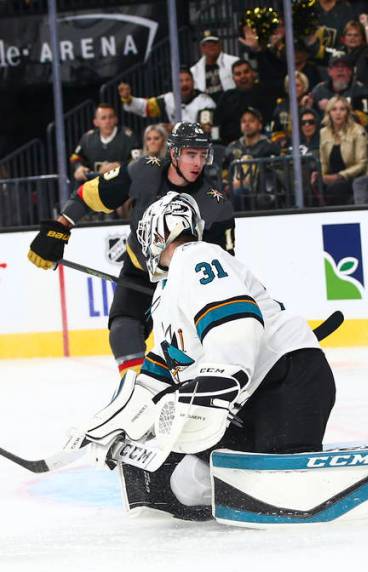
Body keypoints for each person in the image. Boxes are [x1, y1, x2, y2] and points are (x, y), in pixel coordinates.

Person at [85, 191, 336, 520]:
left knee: (283, 488)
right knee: (181, 484)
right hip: (248, 396)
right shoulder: (165, 294)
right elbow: (159, 375)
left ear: (159, 233)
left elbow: (237, 325)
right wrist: (113, 423)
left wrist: (216, 387)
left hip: (286, 379)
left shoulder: (196, 255)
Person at [27, 122, 235, 376]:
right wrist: (59, 228)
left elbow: (224, 263)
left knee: (189, 353)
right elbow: (88, 195)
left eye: (203, 156)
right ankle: (135, 394)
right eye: (191, 154)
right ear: (174, 153)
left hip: (187, 284)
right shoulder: (145, 172)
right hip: (140, 272)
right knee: (123, 331)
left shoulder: (215, 204)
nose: (198, 163)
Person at [313, 96, 368, 205]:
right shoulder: (323, 133)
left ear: (347, 112)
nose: (338, 113)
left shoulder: (357, 131)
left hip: (354, 178)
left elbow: (362, 164)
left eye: (342, 109)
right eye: (334, 109)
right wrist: (321, 176)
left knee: (336, 188)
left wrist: (339, 176)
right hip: (331, 177)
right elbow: (323, 162)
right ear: (329, 113)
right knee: (312, 184)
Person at [223, 107, 281, 210]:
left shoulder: (269, 146)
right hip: (235, 192)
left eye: (251, 121)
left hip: (260, 193)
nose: (247, 124)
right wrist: (227, 184)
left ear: (260, 125)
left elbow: (275, 173)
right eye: (244, 121)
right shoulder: (232, 147)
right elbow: (223, 172)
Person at [69, 104, 141, 183]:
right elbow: (75, 157)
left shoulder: (128, 137)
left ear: (116, 119)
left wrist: (120, 165)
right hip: (95, 185)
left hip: (122, 184)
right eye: (103, 118)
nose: (107, 121)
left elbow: (138, 160)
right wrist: (78, 167)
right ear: (96, 122)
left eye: (111, 117)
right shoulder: (87, 138)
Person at [119, 69, 216, 127]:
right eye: (180, 81)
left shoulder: (205, 101)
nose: (184, 84)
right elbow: (145, 107)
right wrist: (128, 99)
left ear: (193, 82)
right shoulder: (168, 99)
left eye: (187, 80)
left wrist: (175, 129)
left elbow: (205, 128)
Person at [214, 59, 276, 146]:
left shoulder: (265, 93)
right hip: (231, 147)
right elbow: (217, 123)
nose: (243, 76)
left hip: (262, 145)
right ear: (233, 78)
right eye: (238, 74)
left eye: (246, 72)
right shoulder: (226, 97)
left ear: (253, 73)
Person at [190, 31, 241, 99]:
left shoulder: (233, 62)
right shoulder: (194, 70)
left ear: (220, 45)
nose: (211, 47)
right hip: (206, 107)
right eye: (207, 45)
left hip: (231, 104)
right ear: (202, 48)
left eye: (214, 43)